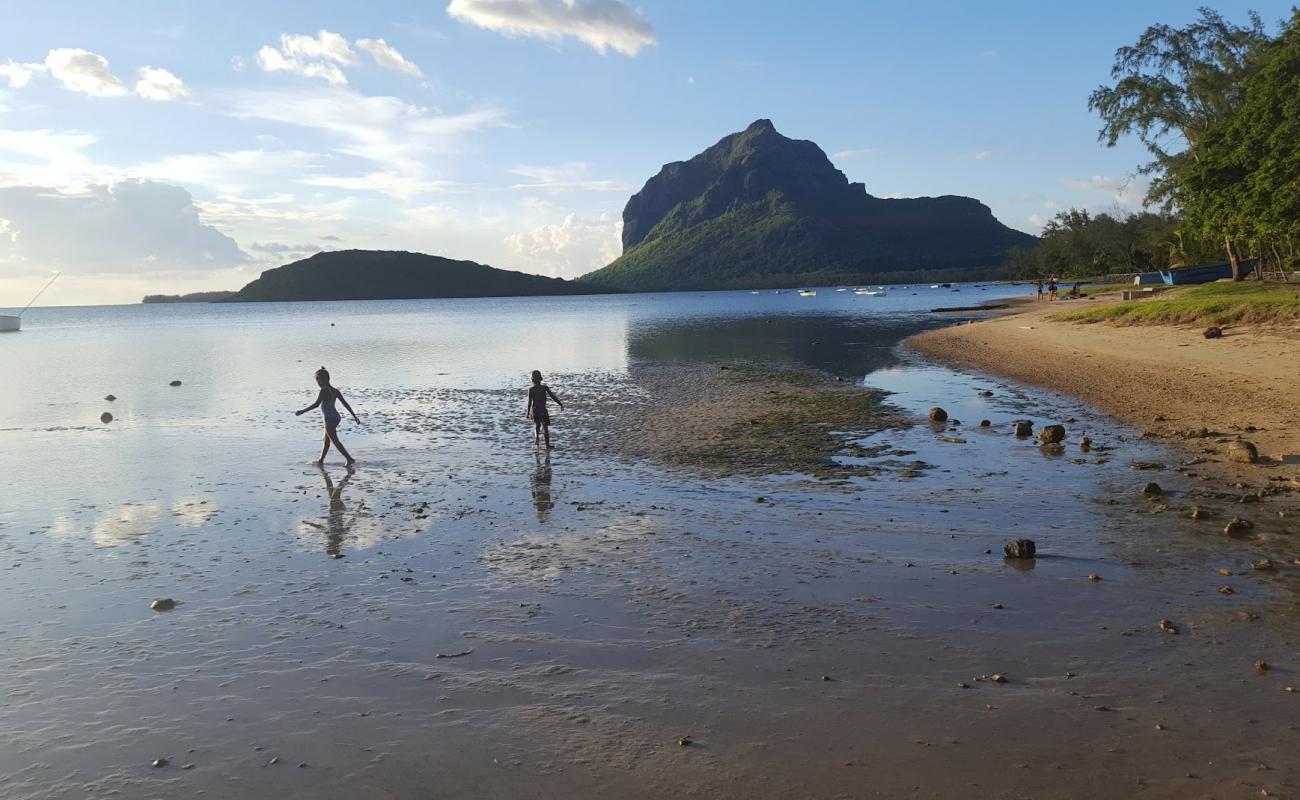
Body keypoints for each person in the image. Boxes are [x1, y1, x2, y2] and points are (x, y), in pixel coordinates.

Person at [295, 366, 361, 467]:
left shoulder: (324, 390)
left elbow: (316, 404)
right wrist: (354, 416)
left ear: (321, 380)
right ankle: (321, 460)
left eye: (317, 381)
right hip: (336, 417)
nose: (317, 383)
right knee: (326, 440)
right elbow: (345, 403)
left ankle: (349, 459)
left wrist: (302, 411)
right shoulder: (335, 390)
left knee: (335, 441)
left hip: (329, 419)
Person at [524, 369, 564, 449]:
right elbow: (553, 397)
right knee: (545, 428)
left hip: (535, 410)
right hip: (543, 410)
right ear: (540, 378)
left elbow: (529, 402)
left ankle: (537, 438)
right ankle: (547, 445)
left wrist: (528, 412)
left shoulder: (531, 389)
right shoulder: (544, 388)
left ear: (532, 380)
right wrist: (560, 404)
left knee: (537, 425)